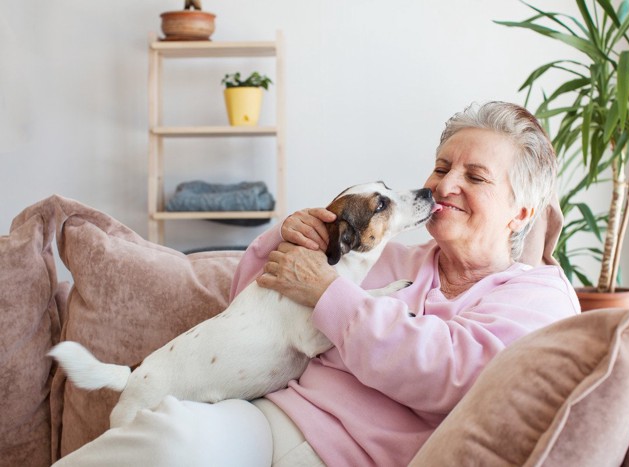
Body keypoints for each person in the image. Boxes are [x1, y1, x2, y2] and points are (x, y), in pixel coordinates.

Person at [54, 101, 580, 467]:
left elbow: (453, 374)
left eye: (476, 176)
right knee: (169, 440)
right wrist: (282, 243)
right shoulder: (388, 254)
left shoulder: (536, 296)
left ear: (522, 212)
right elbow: (251, 317)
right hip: (265, 418)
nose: (444, 184)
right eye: (442, 166)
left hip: (350, 454)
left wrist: (328, 294)